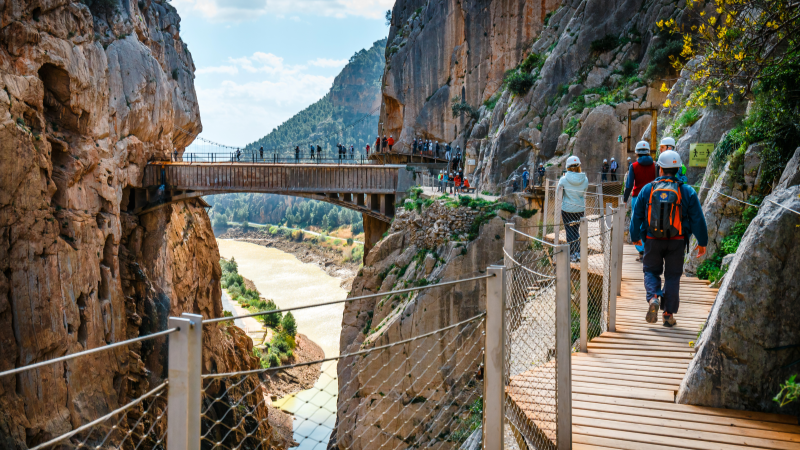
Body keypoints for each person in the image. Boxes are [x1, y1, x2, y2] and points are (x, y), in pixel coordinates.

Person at [630, 150, 708, 328]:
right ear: (678, 169)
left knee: (651, 271)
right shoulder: (687, 191)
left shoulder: (647, 190)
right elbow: (698, 219)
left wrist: (635, 238)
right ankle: (668, 314)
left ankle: (653, 298)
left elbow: (637, 217)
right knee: (673, 276)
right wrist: (702, 242)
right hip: (677, 240)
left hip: (652, 239)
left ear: (660, 169)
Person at [624, 140, 658, 261]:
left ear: (637, 152)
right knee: (649, 223)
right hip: (653, 198)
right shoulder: (655, 165)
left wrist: (624, 199)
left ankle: (642, 251)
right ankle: (650, 250)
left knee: (637, 222)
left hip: (637, 197)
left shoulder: (633, 166)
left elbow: (629, 184)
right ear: (648, 152)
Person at [558, 156, 589, 262]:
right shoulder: (585, 179)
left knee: (569, 232)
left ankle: (572, 254)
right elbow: (584, 192)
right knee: (575, 231)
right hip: (579, 209)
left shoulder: (563, 179)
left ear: (567, 166)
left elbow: (558, 192)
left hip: (567, 209)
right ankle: (578, 253)